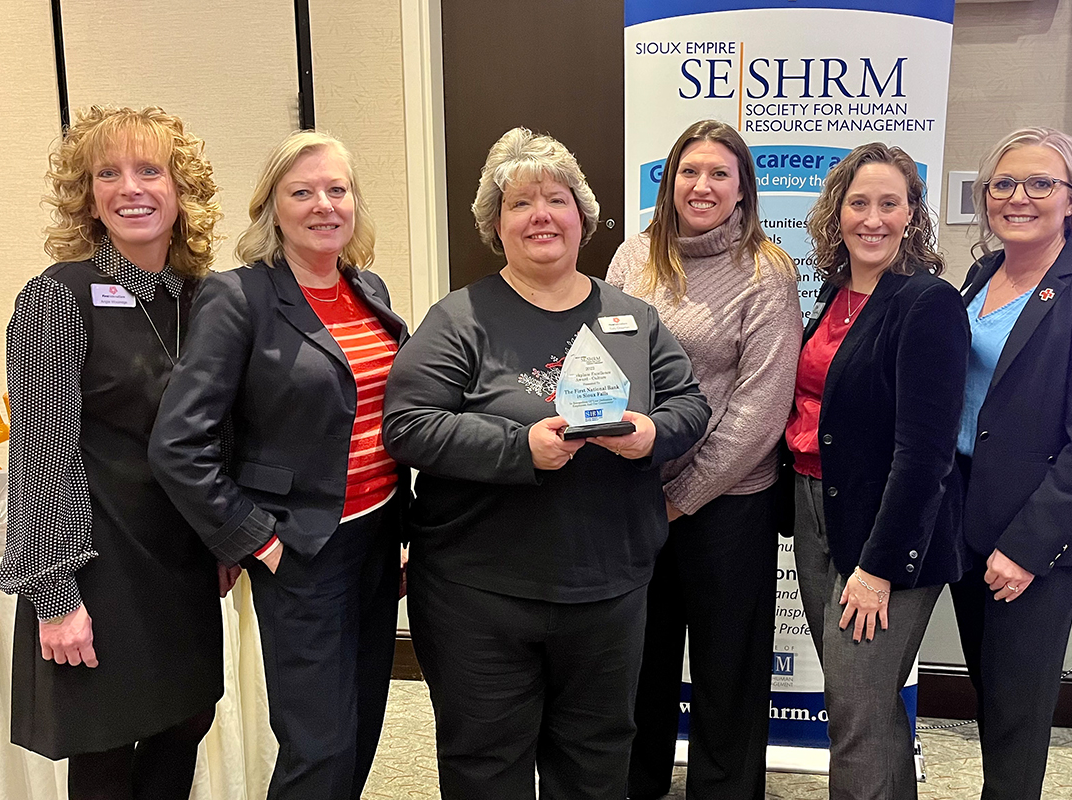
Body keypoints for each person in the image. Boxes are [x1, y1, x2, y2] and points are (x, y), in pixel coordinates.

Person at [381, 127, 710, 800]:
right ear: (494, 225)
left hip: (607, 590)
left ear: (582, 218)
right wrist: (518, 449)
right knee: (485, 767)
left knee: (595, 766)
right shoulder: (459, 319)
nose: (540, 215)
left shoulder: (632, 318)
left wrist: (651, 434)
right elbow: (408, 426)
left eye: (556, 199)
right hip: (481, 597)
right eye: (519, 203)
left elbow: (691, 406)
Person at [149, 130, 408, 800]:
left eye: (337, 189)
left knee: (360, 731)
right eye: (302, 192)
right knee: (317, 748)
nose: (324, 205)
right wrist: (256, 541)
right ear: (272, 208)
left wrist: (404, 532)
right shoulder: (239, 298)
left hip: (378, 543)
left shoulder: (367, 289)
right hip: (302, 549)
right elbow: (178, 444)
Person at [0, 105, 224, 799]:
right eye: (109, 173)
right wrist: (56, 593)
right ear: (88, 195)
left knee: (184, 724)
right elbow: (41, 459)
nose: (131, 187)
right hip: (97, 564)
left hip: (181, 564)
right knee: (105, 750)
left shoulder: (201, 299)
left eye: (150, 170)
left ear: (180, 189)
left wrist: (225, 539)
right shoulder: (55, 300)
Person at [606, 119, 801, 800]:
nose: (702, 185)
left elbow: (760, 409)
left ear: (744, 188)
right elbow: (609, 369)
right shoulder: (634, 257)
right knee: (639, 663)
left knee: (728, 672)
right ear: (669, 183)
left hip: (730, 505)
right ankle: (638, 784)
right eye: (689, 171)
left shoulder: (767, 272)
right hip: (634, 495)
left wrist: (681, 496)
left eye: (720, 173)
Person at [950, 128, 1072, 800]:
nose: (1018, 197)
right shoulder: (982, 275)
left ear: (1071, 198)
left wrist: (1027, 549)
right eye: (1002, 184)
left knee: (1016, 715)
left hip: (1034, 537)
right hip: (966, 518)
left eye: (1039, 184)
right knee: (989, 696)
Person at [785, 142, 970, 799]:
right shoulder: (834, 297)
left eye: (889, 203)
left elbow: (926, 452)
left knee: (857, 710)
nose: (872, 218)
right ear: (836, 215)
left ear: (913, 213)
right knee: (858, 703)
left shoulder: (928, 304)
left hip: (885, 530)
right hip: (817, 511)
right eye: (857, 203)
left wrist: (879, 566)